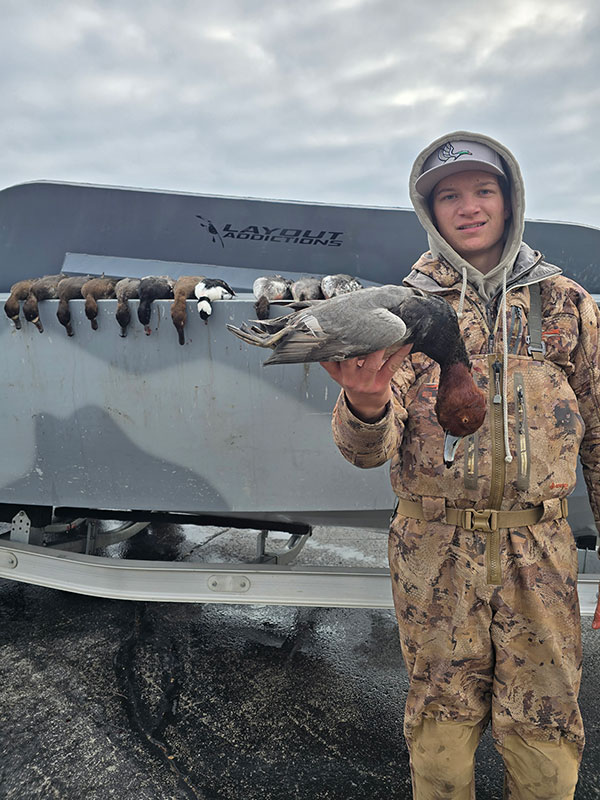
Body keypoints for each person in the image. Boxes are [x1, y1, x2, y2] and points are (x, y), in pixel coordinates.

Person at [321, 131, 600, 799]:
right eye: (449, 195)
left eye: (483, 190)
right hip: (434, 551)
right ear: (429, 209)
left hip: (540, 549)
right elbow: (365, 452)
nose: (469, 207)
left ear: (510, 200)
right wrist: (363, 402)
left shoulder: (567, 304)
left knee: (546, 729)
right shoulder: (399, 311)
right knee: (440, 727)